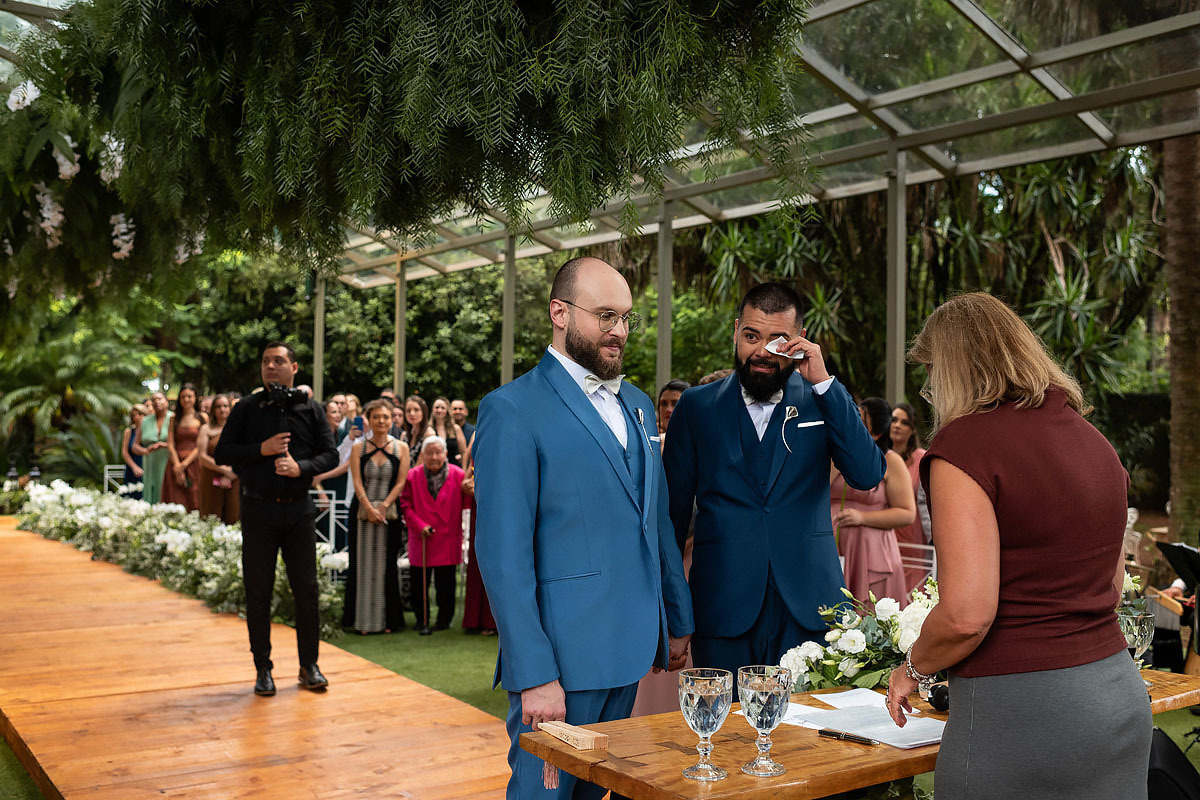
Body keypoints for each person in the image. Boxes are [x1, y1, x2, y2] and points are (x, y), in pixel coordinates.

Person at [885, 293, 1151, 799]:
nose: (930, 388)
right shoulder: (1096, 443)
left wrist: (913, 667)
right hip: (1117, 697)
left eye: (933, 371)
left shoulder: (963, 448)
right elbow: (1113, 586)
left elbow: (966, 614)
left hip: (1022, 711)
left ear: (957, 368)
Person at [474, 256, 693, 800]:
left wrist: (677, 620)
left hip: (632, 650)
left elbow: (656, 523)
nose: (618, 331)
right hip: (560, 658)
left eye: (625, 317)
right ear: (559, 312)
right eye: (604, 316)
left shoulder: (640, 406)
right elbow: (503, 557)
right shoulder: (511, 409)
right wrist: (533, 674)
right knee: (541, 794)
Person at [663, 281, 884, 683]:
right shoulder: (696, 407)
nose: (762, 351)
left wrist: (824, 383)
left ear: (798, 340)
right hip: (721, 607)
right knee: (725, 736)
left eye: (777, 339)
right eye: (751, 336)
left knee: (807, 740)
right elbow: (672, 520)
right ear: (736, 332)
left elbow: (868, 474)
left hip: (812, 609)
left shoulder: (823, 399)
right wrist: (676, 614)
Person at [214, 342, 338, 697]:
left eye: (278, 361)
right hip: (258, 510)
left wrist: (303, 468)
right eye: (266, 361)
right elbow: (223, 452)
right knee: (258, 592)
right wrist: (261, 450)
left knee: (307, 591)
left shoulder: (311, 410)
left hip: (299, 509)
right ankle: (262, 669)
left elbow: (329, 454)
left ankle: (308, 665)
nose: (271, 366)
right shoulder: (247, 409)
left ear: (294, 367)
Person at [831, 397, 915, 606]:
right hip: (832, 549)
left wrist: (862, 517)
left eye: (859, 420)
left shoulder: (890, 460)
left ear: (876, 432)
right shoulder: (834, 454)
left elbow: (907, 512)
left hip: (870, 554)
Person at [345, 399, 410, 634]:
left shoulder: (401, 448)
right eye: (376, 417)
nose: (381, 421)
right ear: (368, 420)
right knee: (361, 564)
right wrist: (369, 507)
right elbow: (356, 481)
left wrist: (383, 506)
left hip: (389, 512)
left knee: (386, 565)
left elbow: (401, 481)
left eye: (385, 417)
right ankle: (361, 621)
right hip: (362, 512)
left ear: (392, 419)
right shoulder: (357, 448)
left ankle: (387, 621)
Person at [401, 436, 472, 633]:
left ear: (446, 454)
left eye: (438, 452)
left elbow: (468, 506)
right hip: (421, 536)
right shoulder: (412, 476)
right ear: (422, 455)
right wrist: (419, 525)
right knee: (419, 584)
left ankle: (444, 619)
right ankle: (420, 619)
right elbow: (405, 506)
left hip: (448, 537)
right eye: (429, 453)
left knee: (446, 584)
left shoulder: (459, 476)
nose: (434, 457)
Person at [889, 401, 929, 591]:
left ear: (912, 429)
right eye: (894, 420)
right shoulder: (880, 458)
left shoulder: (921, 458)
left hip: (913, 539)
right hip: (885, 535)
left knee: (913, 595)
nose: (897, 425)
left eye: (904, 422)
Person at [460, 430, 496, 636]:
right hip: (479, 506)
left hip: (500, 503)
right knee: (478, 560)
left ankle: (494, 621)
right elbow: (468, 476)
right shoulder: (478, 433)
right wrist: (468, 485)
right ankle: (476, 618)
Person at [197, 394, 240, 524]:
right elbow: (202, 456)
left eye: (225, 406)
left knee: (233, 515)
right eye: (218, 407)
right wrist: (223, 469)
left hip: (234, 476)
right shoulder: (206, 429)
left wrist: (231, 473)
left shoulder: (238, 428)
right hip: (211, 476)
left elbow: (243, 453)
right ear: (213, 410)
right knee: (211, 516)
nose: (222, 410)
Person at [163, 383, 203, 510]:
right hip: (174, 464)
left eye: (189, 396)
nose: (186, 400)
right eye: (183, 397)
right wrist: (177, 465)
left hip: (195, 463)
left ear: (195, 398)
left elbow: (201, 445)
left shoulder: (202, 418)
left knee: (195, 499)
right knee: (175, 499)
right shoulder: (174, 419)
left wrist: (184, 464)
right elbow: (170, 443)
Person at [140, 391, 172, 504]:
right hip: (150, 461)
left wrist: (165, 445)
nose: (156, 402)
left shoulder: (173, 418)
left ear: (166, 401)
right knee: (150, 491)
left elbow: (181, 443)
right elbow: (134, 445)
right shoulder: (145, 421)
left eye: (159, 399)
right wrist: (145, 450)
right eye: (153, 400)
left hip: (168, 459)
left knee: (166, 490)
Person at [430, 396, 468, 466]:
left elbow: (464, 452)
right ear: (432, 410)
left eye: (442, 408)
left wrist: (464, 470)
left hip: (454, 470)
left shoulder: (456, 429)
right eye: (437, 407)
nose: (439, 410)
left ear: (447, 411)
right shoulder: (428, 429)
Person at [120, 404, 147, 498]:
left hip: (147, 466)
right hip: (133, 467)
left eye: (140, 414)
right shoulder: (128, 431)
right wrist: (134, 467)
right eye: (134, 415)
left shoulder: (149, 432)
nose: (138, 417)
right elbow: (124, 452)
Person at [399, 395, 436, 462]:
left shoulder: (429, 434)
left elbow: (421, 462)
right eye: (408, 410)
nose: (412, 413)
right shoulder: (404, 435)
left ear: (423, 412)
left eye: (416, 410)